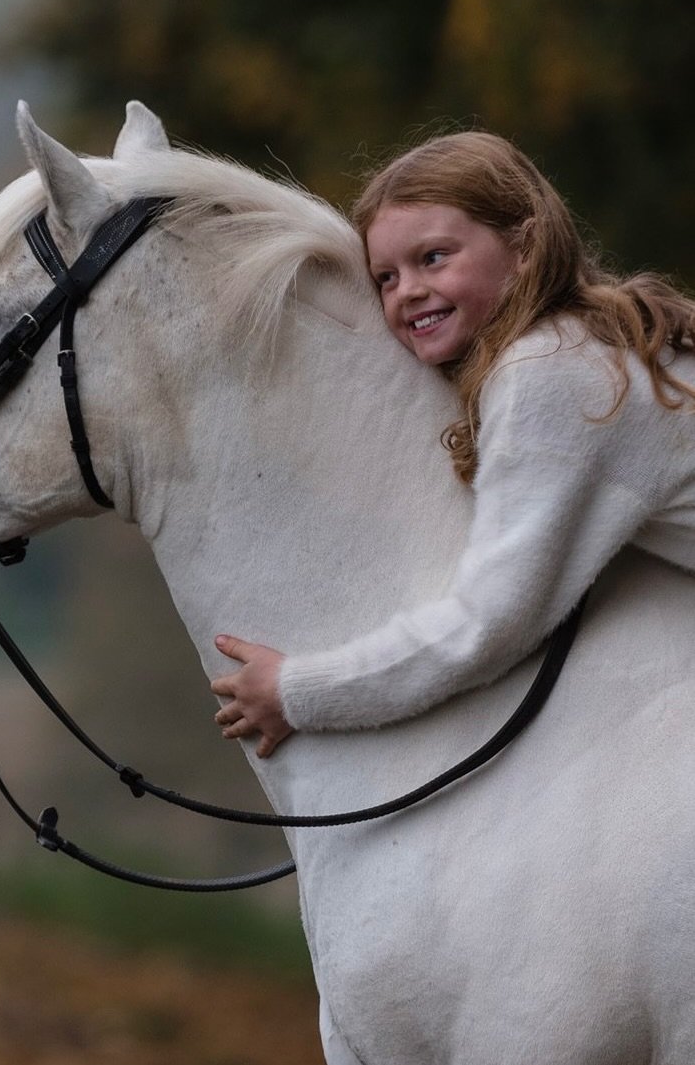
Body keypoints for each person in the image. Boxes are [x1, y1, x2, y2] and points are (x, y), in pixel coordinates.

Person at [211, 130, 695, 758]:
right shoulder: (585, 344)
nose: (407, 289)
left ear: (524, 249)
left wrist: (297, 691)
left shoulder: (547, 373)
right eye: (385, 277)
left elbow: (488, 625)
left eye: (434, 257)